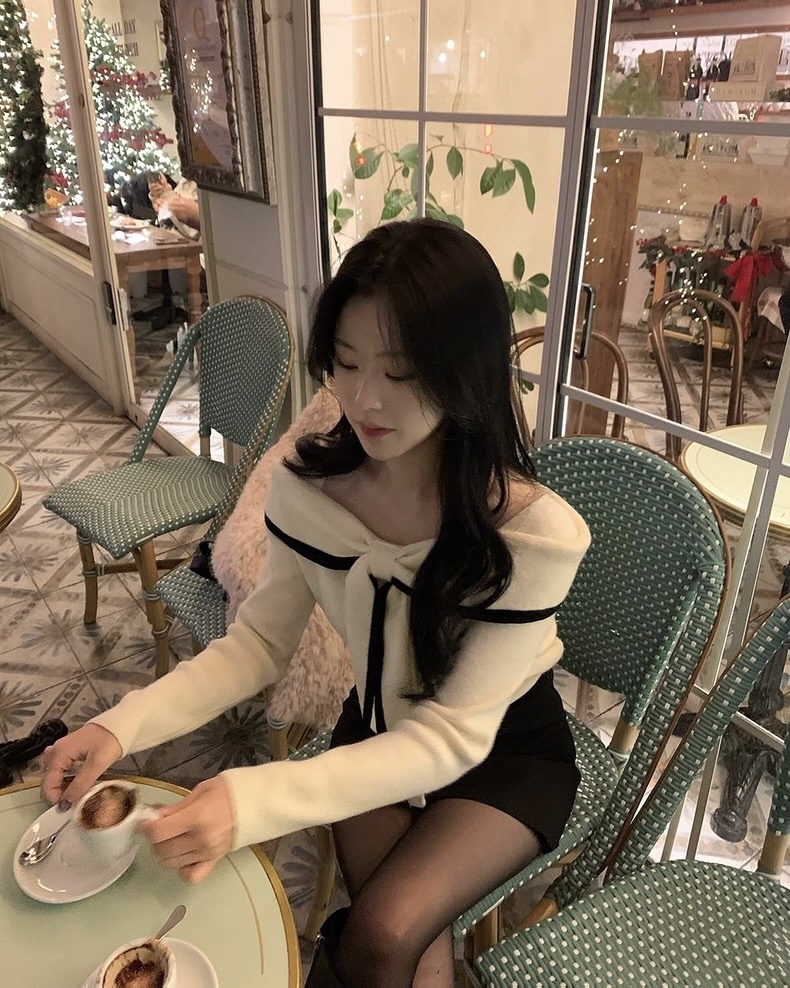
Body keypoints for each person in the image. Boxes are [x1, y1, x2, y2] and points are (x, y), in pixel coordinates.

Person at [41, 219, 590, 987]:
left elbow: (453, 736)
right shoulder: (309, 489)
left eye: (400, 371)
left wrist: (251, 798)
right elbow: (258, 647)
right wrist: (116, 725)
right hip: (376, 729)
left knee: (384, 933)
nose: (362, 398)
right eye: (346, 361)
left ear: (464, 370)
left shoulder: (531, 536)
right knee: (386, 941)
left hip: (501, 748)